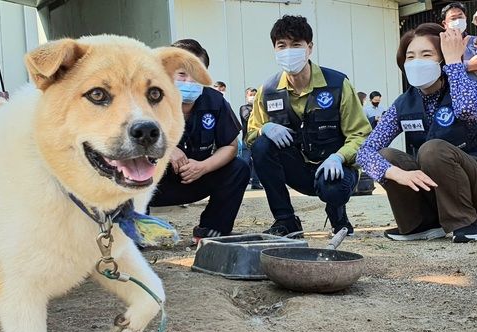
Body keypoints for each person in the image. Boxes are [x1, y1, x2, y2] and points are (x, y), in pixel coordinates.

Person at [356, 23, 477, 243]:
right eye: (410, 56)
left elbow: (468, 110)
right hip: (439, 191)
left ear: (442, 59)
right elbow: (365, 152)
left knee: (432, 149)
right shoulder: (404, 102)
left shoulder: (467, 83)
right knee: (387, 156)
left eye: (426, 54)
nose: (416, 62)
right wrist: (396, 173)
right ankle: (420, 224)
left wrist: (454, 63)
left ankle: (465, 223)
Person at [247, 15, 371, 237]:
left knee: (333, 187)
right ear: (274, 49)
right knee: (261, 146)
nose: (288, 51)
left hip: (334, 169)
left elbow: (361, 134)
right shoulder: (267, 90)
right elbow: (250, 134)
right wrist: (263, 129)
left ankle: (338, 216)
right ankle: (286, 220)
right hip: (297, 169)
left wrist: (340, 157)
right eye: (281, 45)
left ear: (309, 47)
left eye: (296, 45)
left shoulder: (337, 84)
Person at [149, 39, 250, 243]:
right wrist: (167, 149)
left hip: (194, 179)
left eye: (196, 72)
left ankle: (212, 229)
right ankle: (134, 231)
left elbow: (230, 146)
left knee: (239, 167)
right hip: (153, 184)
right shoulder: (147, 99)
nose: (189, 80)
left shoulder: (215, 101)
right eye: (182, 73)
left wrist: (203, 167)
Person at [440, 2, 477, 74]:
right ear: (445, 24)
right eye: (453, 18)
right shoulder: (440, 43)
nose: (458, 21)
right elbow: (441, 69)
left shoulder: (476, 40)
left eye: (460, 17)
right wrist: (475, 64)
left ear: (465, 18)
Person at [239, 87, 263, 189]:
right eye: (251, 95)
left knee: (258, 161)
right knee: (245, 161)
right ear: (246, 96)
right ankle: (240, 182)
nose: (253, 97)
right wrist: (256, 109)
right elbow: (246, 117)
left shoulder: (261, 108)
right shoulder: (244, 108)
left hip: (258, 138)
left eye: (255, 95)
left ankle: (256, 182)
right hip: (247, 139)